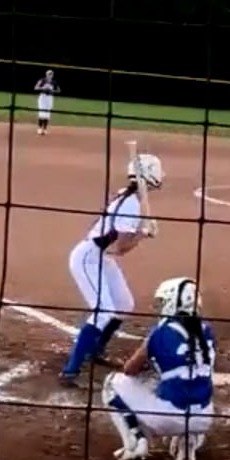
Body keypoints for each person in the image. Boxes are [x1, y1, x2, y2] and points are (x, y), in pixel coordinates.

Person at [60, 152, 164, 386]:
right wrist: (144, 234)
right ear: (151, 174)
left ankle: (96, 350)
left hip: (102, 257)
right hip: (88, 257)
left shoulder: (130, 198)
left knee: (124, 305)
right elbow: (121, 247)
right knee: (103, 311)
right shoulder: (130, 203)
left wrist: (142, 230)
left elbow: (116, 247)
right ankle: (70, 371)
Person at [104, 276, 217, 460]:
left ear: (173, 301)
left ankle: (135, 444)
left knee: (112, 383)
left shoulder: (161, 332)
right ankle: (187, 444)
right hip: (204, 418)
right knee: (196, 380)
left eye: (164, 301)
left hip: (169, 418)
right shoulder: (207, 330)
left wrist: (150, 367)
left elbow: (130, 369)